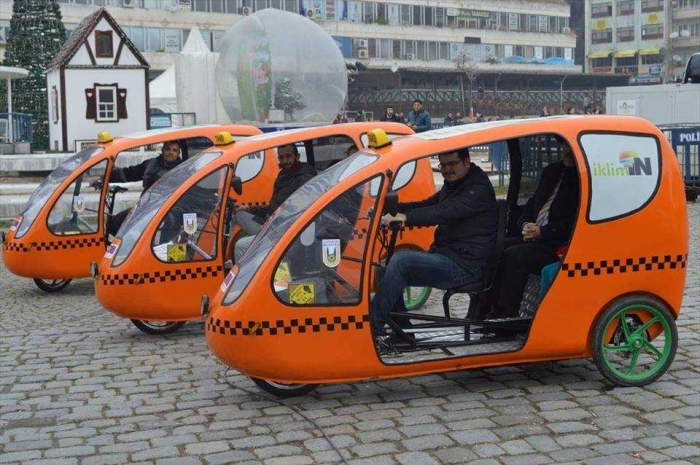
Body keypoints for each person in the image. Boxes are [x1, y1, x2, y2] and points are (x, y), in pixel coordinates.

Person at [370, 148, 498, 346]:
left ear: (466, 162)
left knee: (401, 261)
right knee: (383, 269)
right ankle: (403, 333)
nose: (447, 170)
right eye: (443, 165)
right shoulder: (455, 185)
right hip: (449, 256)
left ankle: (369, 330)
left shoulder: (477, 188)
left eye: (452, 164)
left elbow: (444, 211)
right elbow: (428, 204)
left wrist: (406, 218)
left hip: (467, 265)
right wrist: (391, 208)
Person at [492, 136, 579, 319]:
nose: (568, 151)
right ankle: (487, 309)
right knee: (495, 247)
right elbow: (532, 204)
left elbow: (575, 221)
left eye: (572, 147)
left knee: (514, 256)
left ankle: (507, 317)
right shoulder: (552, 171)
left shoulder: (582, 179)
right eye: (565, 146)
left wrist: (543, 232)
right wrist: (525, 224)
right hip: (536, 235)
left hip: (560, 244)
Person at [234, 144, 317, 260]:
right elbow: (273, 208)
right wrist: (247, 208)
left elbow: (295, 213)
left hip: (281, 232)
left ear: (297, 157)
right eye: (281, 157)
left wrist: (270, 224)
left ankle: (251, 277)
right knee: (237, 213)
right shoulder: (283, 175)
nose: (285, 161)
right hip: (270, 224)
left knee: (240, 246)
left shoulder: (304, 179)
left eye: (288, 156)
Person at [104, 140, 183, 237]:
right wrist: (104, 177)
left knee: (164, 241)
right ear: (162, 150)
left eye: (174, 150)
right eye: (168, 149)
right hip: (144, 209)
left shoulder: (184, 169)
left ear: (179, 153)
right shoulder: (150, 164)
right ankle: (131, 247)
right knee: (113, 224)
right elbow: (129, 173)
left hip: (169, 212)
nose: (170, 152)